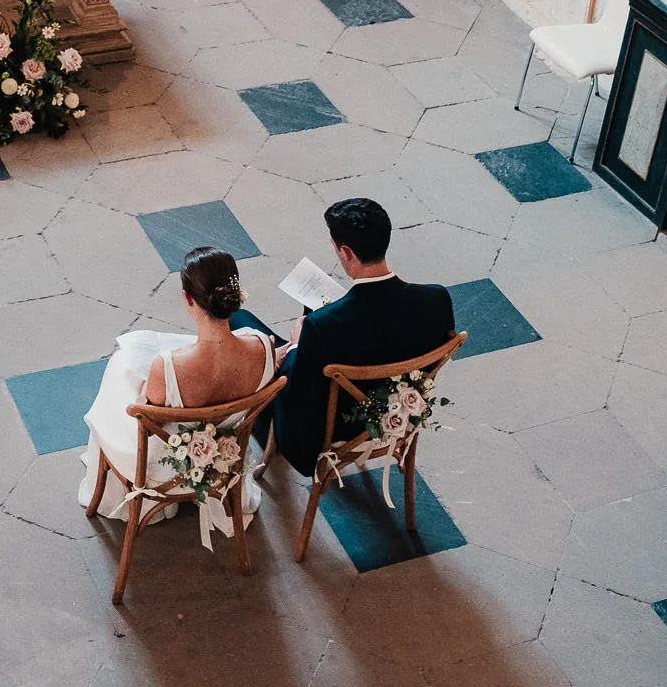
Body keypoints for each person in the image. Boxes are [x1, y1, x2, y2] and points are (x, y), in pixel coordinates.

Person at [229, 199, 456, 478]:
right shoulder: (436, 300)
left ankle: (267, 433)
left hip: (334, 428)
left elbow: (300, 393)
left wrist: (297, 344)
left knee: (240, 321)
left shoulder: (321, 328)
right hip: (398, 410)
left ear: (346, 252)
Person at [77, 248, 277, 531]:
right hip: (228, 450)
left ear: (187, 298)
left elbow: (149, 420)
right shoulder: (263, 346)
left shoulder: (168, 366)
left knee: (121, 371)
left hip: (169, 466)